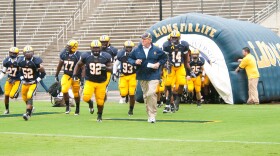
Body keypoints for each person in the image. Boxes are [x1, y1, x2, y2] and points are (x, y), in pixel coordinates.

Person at [128, 32, 167, 123]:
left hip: (154, 74)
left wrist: (158, 64)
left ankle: (153, 114)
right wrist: (135, 62)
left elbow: (164, 58)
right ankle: (149, 114)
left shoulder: (156, 49)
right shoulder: (137, 49)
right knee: (146, 95)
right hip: (142, 74)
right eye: (142, 39)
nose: (142, 41)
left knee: (151, 93)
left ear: (149, 40)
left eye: (144, 39)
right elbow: (130, 58)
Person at [73, 40, 112, 122]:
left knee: (100, 100)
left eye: (97, 48)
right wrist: (74, 74)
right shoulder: (86, 56)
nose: (96, 50)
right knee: (85, 97)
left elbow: (112, 68)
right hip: (90, 81)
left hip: (101, 82)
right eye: (94, 48)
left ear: (100, 48)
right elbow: (78, 64)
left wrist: (105, 68)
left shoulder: (106, 56)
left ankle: (99, 115)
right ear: (91, 48)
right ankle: (90, 103)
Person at [162, 30, 190, 112]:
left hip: (180, 66)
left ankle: (177, 100)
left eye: (176, 38)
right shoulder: (166, 45)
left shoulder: (184, 45)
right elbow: (165, 57)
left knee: (181, 83)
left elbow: (185, 58)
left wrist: (188, 70)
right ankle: (170, 103)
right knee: (168, 84)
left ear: (179, 38)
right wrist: (166, 65)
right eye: (172, 38)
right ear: (170, 38)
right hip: (171, 66)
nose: (174, 39)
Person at [54, 39, 82, 115]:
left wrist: (82, 79)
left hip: (76, 76)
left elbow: (82, 67)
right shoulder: (64, 53)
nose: (67, 47)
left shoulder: (78, 55)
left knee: (76, 93)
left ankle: (77, 108)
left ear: (74, 47)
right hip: (66, 75)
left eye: (69, 46)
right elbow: (60, 64)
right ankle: (67, 106)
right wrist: (56, 74)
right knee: (64, 90)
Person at [18, 45, 46, 121]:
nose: (29, 54)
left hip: (32, 83)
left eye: (30, 52)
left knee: (29, 96)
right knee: (24, 98)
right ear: (24, 53)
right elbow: (19, 71)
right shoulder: (20, 61)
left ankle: (28, 114)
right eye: (27, 52)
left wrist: (37, 80)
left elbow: (43, 73)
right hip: (24, 83)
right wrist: (21, 78)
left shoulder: (36, 61)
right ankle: (31, 108)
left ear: (33, 53)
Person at [113, 41, 137, 116]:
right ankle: (125, 96)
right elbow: (115, 65)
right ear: (124, 47)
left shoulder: (136, 55)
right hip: (123, 75)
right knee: (123, 93)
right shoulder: (121, 55)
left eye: (130, 47)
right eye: (127, 47)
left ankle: (131, 109)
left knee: (132, 93)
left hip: (132, 75)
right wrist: (114, 73)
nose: (129, 49)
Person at [0, 47, 21, 114]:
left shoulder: (20, 61)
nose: (12, 54)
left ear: (17, 54)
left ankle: (16, 94)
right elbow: (3, 71)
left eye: (14, 53)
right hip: (9, 79)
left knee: (11, 96)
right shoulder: (6, 61)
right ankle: (7, 109)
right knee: (6, 95)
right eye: (11, 53)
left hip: (17, 80)